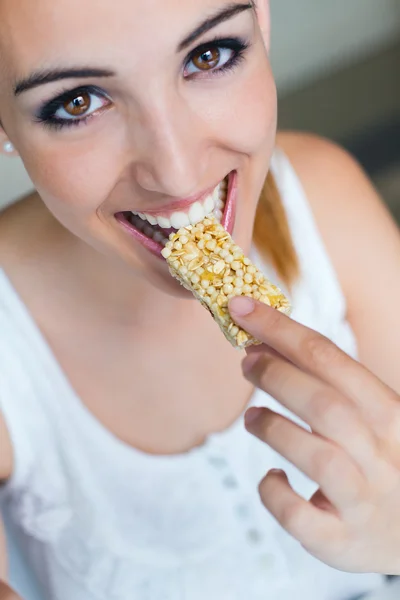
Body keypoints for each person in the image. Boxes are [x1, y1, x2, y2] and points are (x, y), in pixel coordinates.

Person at [0, 0, 399, 598]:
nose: (179, 174)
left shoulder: (324, 196)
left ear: (260, 21)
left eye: (208, 55)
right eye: (77, 102)